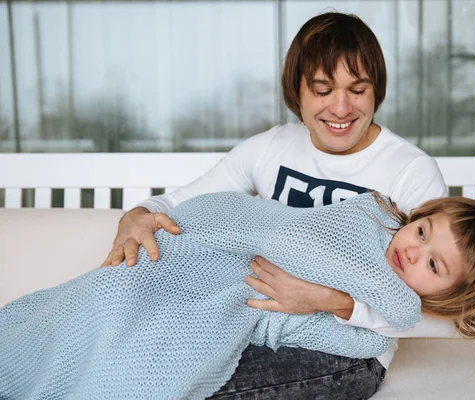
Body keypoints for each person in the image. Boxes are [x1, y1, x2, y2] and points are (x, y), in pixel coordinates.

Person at [101, 11, 448, 399]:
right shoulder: (271, 148)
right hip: (252, 322)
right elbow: (180, 201)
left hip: (343, 348)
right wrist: (135, 218)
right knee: (138, 359)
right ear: (295, 91)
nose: (340, 108)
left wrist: (329, 301)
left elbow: (426, 306)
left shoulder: (412, 172)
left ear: (376, 89)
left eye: (358, 89)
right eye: (321, 89)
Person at [0, 190, 475, 399]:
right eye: (423, 231)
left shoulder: (398, 302)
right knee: (107, 298)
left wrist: (325, 298)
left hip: (241, 302)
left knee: (144, 360)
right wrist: (145, 210)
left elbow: (393, 318)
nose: (413, 251)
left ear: (451, 296)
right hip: (209, 252)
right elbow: (277, 230)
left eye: (434, 264)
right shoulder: (371, 217)